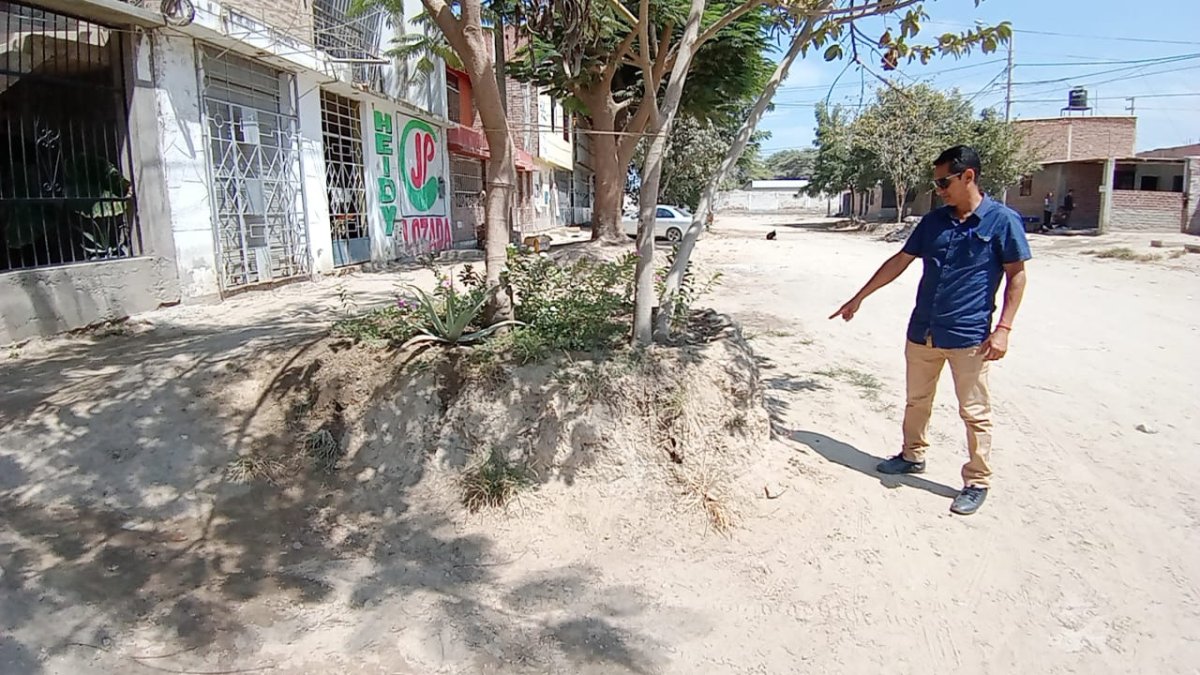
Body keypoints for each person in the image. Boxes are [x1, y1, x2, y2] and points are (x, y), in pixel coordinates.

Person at [829, 145, 1030, 516]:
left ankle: (976, 480)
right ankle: (912, 455)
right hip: (923, 332)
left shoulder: (1002, 221)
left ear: (968, 176)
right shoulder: (934, 222)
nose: (938, 190)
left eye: (943, 182)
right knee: (916, 401)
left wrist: (1003, 328)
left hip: (969, 337)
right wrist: (859, 297)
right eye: (936, 182)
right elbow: (899, 262)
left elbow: (1017, 276)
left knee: (974, 412)